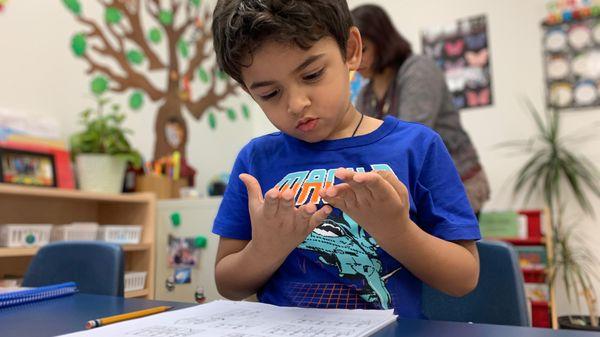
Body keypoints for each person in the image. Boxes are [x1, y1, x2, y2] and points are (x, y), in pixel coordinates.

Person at [211, 0, 480, 319]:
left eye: (311, 74)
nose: (297, 104)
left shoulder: (417, 147)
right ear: (248, 90)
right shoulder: (255, 161)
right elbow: (227, 284)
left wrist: (396, 231)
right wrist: (264, 250)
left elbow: (464, 278)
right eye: (270, 94)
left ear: (351, 50)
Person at [352, 4, 490, 217]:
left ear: (382, 41)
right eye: (350, 52)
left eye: (363, 50)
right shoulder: (366, 94)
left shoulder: (417, 70)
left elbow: (410, 139)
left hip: (456, 186)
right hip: (413, 191)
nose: (356, 60)